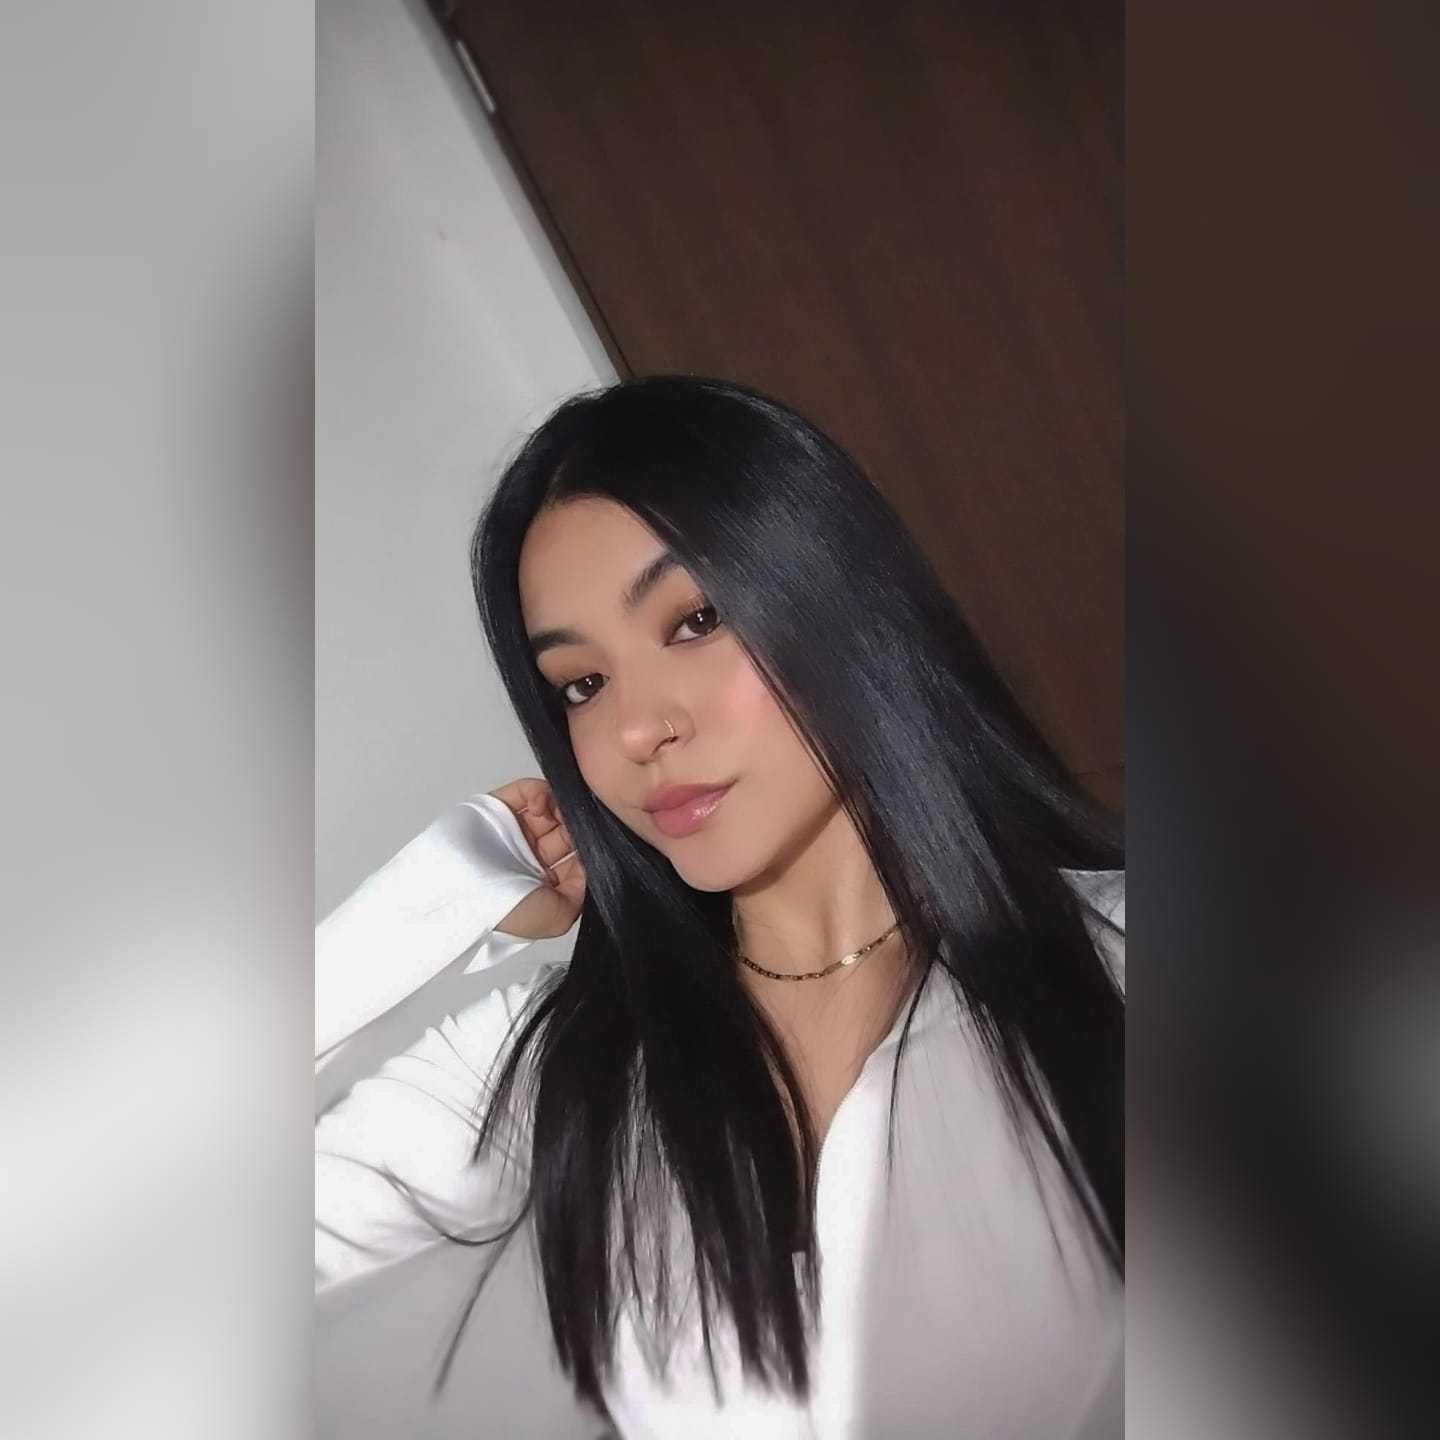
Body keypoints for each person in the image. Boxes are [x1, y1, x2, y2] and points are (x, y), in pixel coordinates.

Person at [316, 376, 1125, 1438]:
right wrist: (433, 901)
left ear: (836, 600)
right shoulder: (557, 1066)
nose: (637, 730)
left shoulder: (1125, 964)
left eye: (695, 621)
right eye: (581, 685)